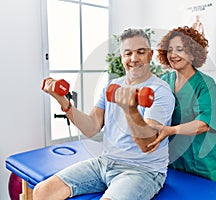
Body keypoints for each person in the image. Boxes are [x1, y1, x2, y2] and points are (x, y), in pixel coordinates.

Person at [34, 28, 175, 200]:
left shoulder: (160, 92)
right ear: (121, 57)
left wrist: (130, 110)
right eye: (128, 53)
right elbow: (92, 127)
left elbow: (148, 143)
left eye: (140, 52)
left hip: (142, 170)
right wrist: (63, 101)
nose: (134, 58)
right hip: (105, 162)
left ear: (150, 54)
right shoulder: (112, 86)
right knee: (42, 191)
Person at [147, 26, 216, 185]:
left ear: (192, 53)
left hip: (204, 161)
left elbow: (204, 124)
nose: (173, 54)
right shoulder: (163, 81)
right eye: (169, 50)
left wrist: (171, 130)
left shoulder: (205, 84)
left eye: (180, 49)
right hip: (175, 160)